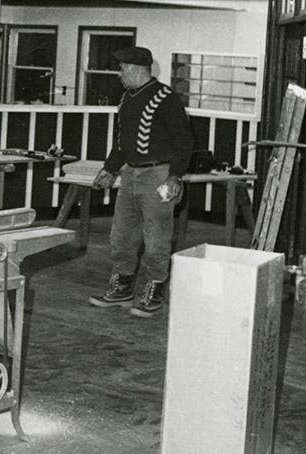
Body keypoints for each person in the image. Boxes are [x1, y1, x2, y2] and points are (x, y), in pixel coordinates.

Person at [89, 46, 193, 318]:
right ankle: (122, 287)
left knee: (157, 237)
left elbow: (184, 142)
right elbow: (122, 142)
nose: (119, 74)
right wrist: (110, 169)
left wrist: (174, 176)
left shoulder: (166, 98)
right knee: (121, 235)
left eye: (122, 69)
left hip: (159, 175)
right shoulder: (127, 99)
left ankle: (155, 290)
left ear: (135, 69)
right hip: (130, 175)